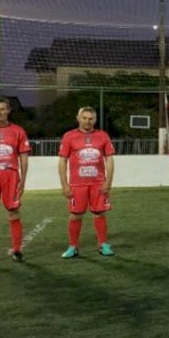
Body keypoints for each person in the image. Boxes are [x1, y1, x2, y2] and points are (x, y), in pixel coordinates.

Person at [58, 107, 115, 259]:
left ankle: (103, 245)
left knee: (99, 213)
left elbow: (109, 159)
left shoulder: (103, 136)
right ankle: (73, 247)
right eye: (84, 118)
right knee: (75, 215)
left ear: (95, 120)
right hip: (77, 185)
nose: (87, 121)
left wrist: (108, 181)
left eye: (90, 118)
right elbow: (62, 161)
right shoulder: (69, 136)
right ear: (78, 118)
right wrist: (64, 185)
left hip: (98, 183)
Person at [0, 97, 30, 264]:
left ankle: (17, 250)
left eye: (3, 109)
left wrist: (23, 180)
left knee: (13, 212)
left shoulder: (18, 131)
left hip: (11, 175)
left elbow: (23, 156)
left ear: (8, 111)